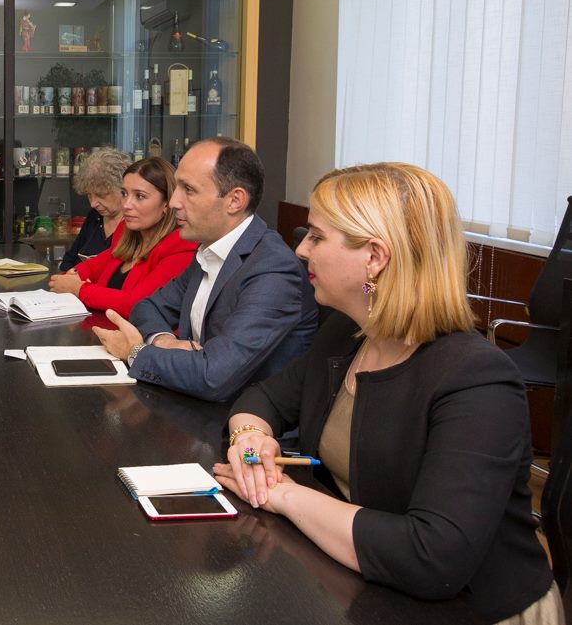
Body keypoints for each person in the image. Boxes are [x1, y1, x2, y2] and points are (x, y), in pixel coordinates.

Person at [216, 163, 559, 624]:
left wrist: (280, 494)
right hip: (361, 586)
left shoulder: (478, 379)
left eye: (316, 237)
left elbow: (431, 556)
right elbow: (264, 399)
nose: (301, 249)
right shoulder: (345, 333)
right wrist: (250, 440)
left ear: (374, 257)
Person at [94, 136, 317, 401]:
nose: (174, 202)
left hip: (242, 421)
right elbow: (148, 307)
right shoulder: (209, 249)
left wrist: (135, 352)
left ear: (235, 200)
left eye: (188, 190)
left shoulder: (274, 270)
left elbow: (214, 376)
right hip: (191, 406)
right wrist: (163, 341)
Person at [48, 157, 196, 317]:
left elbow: (136, 304)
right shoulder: (126, 232)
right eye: (124, 194)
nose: (126, 204)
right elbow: (92, 267)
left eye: (140, 196)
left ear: (167, 203)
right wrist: (67, 279)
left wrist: (78, 289)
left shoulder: (181, 245)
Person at [58, 147, 130, 272]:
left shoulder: (134, 224)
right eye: (89, 195)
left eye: (101, 195)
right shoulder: (94, 216)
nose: (93, 204)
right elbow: (69, 259)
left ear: (123, 189)